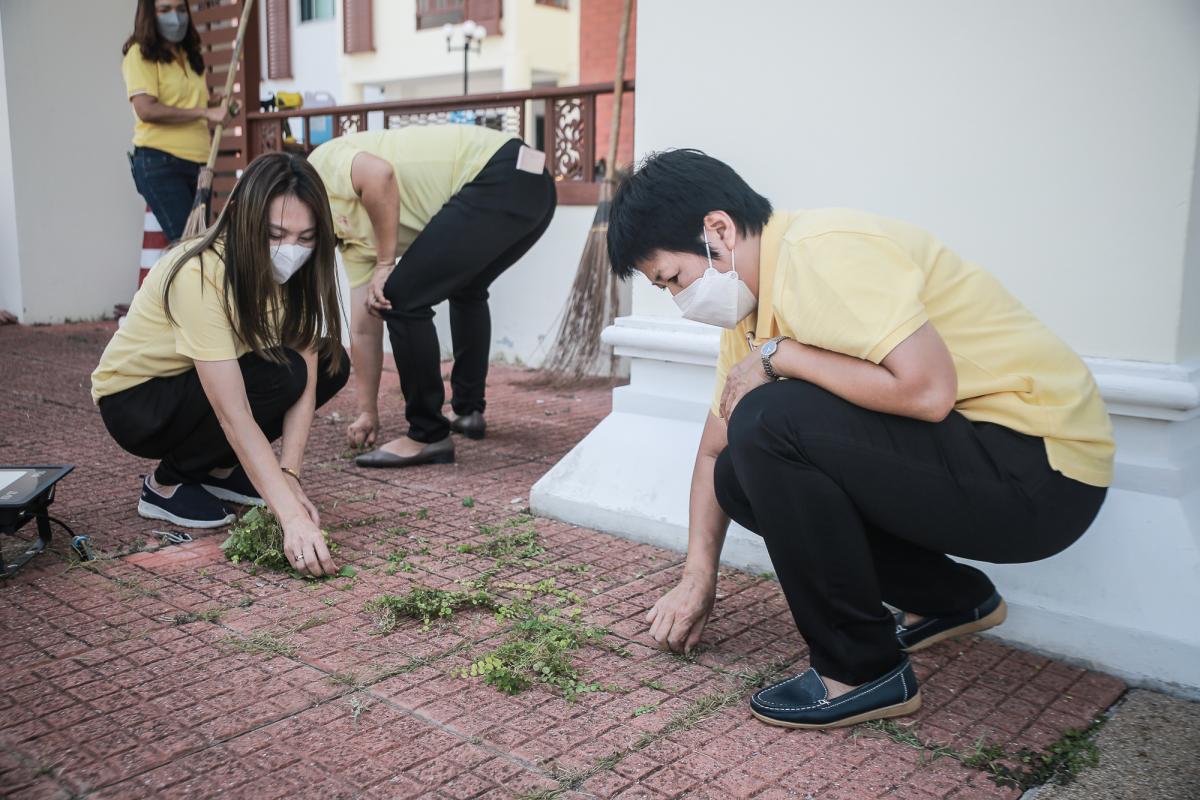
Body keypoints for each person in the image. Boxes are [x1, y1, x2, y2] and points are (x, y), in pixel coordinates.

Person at [606, 149, 1113, 730]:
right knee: (739, 474)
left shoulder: (820, 251)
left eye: (674, 278)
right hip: (983, 462)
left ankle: (861, 668)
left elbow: (927, 392)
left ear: (717, 230)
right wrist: (698, 578)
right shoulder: (750, 312)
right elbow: (714, 450)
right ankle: (950, 599)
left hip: (1042, 471)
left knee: (768, 421)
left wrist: (784, 356)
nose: (680, 301)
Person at [91, 152, 350, 579]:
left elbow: (305, 377)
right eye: (276, 234)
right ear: (244, 221)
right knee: (277, 374)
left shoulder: (291, 278)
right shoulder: (199, 272)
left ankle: (219, 470)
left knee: (327, 362)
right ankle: (166, 485)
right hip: (138, 402)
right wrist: (293, 520)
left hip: (195, 390)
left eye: (306, 238)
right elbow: (232, 412)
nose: (292, 251)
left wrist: (289, 476)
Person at [307, 125, 556, 467]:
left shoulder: (320, 166)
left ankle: (427, 435)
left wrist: (385, 263)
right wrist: (367, 411)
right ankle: (467, 410)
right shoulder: (348, 238)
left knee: (399, 294)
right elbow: (365, 328)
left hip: (504, 173)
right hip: (530, 182)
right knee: (466, 288)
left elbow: (380, 174)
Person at [122, 0, 230, 243]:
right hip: (161, 163)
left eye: (181, 9)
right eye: (165, 10)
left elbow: (187, 101)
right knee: (189, 248)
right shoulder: (139, 53)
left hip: (201, 165)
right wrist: (204, 113)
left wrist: (216, 103)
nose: (176, 17)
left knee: (198, 243)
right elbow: (146, 109)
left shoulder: (188, 54)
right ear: (150, 13)